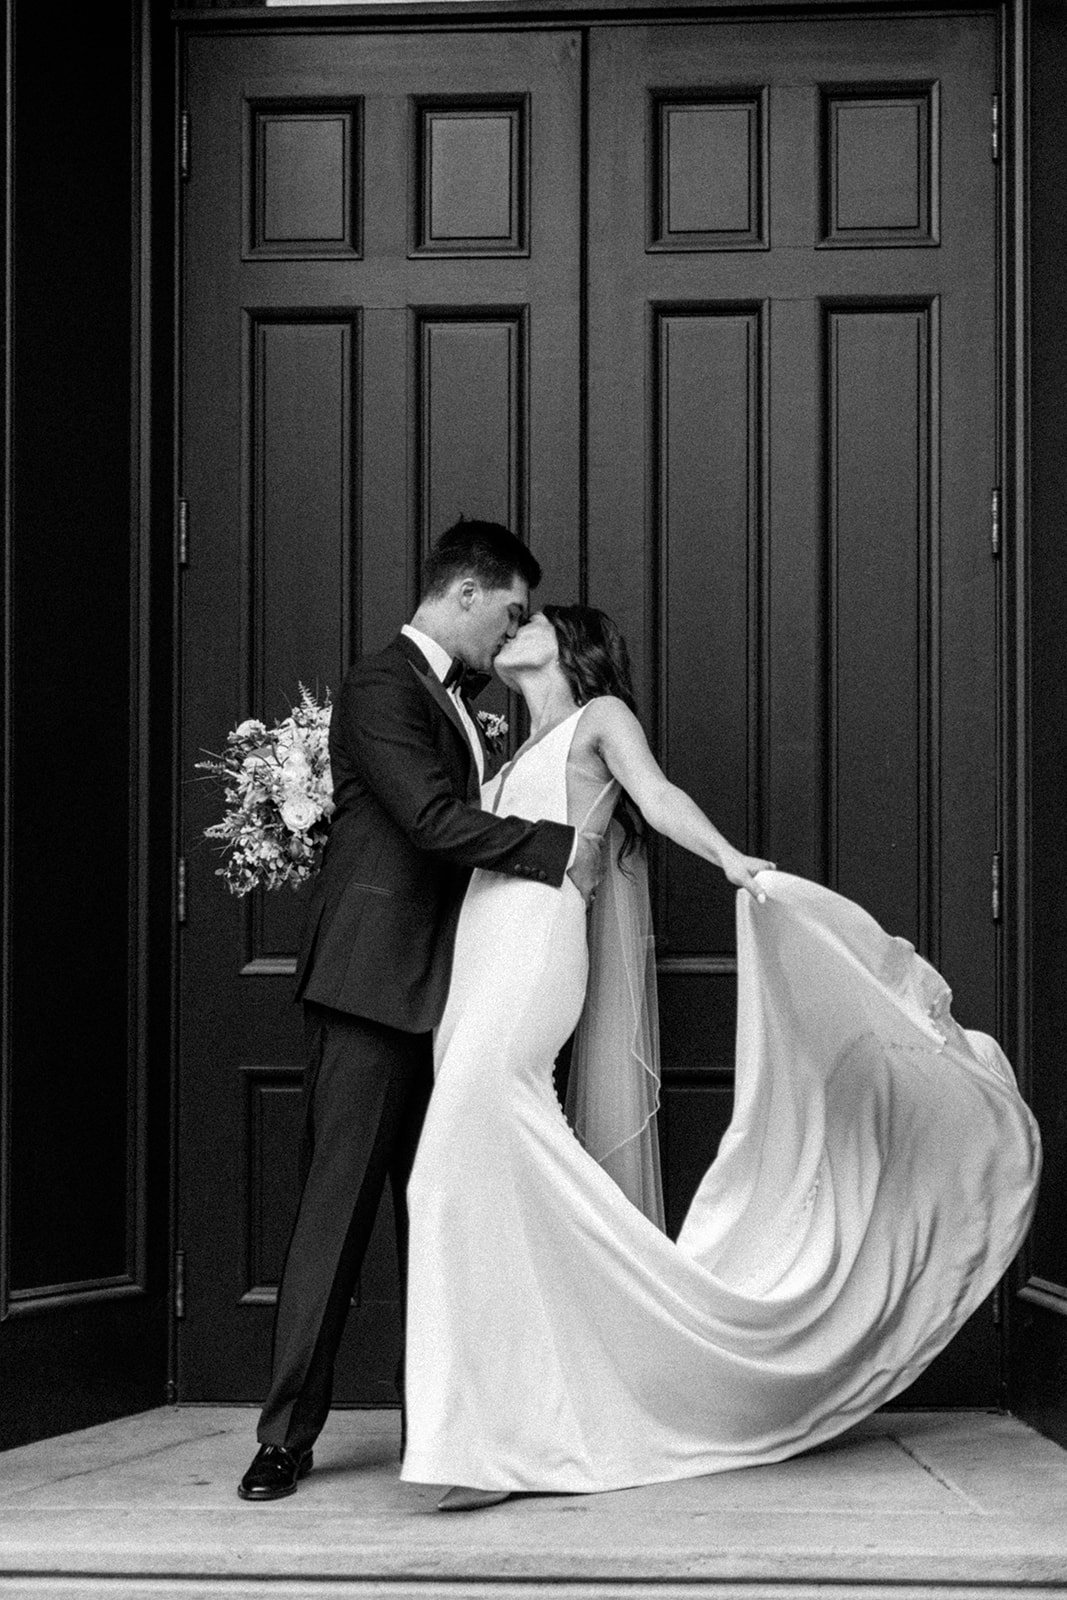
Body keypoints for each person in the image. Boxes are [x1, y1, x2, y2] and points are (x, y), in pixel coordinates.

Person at [399, 604, 1041, 1511]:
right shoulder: (500, 753)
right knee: (487, 1178)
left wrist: (729, 859)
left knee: (453, 1173)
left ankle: (514, 1430)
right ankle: (509, 1430)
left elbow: (654, 798)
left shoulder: (600, 718)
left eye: (528, 619)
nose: (508, 629)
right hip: (478, 957)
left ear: (570, 642)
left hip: (534, 951)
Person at [238, 523, 600, 1502]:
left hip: (452, 995)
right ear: (473, 594)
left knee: (439, 1214)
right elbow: (431, 823)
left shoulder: (460, 700)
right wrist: (556, 848)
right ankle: (283, 1438)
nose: (516, 628)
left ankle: (443, 1431)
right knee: (338, 1210)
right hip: (368, 987)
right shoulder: (380, 685)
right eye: (514, 609)